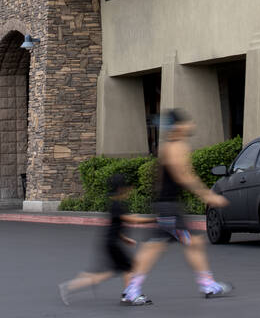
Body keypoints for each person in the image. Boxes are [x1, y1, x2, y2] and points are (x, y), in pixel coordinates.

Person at [121, 109, 233, 306]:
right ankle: (133, 289)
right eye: (187, 122)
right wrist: (207, 195)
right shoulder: (175, 146)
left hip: (167, 207)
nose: (191, 125)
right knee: (160, 247)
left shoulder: (171, 146)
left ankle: (206, 283)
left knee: (179, 245)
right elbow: (182, 175)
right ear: (178, 126)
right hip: (168, 209)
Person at [57, 173, 152, 305]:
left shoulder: (115, 203)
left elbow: (115, 225)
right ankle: (69, 287)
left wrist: (124, 239)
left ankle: (127, 295)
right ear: (120, 188)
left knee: (123, 269)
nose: (128, 191)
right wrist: (153, 219)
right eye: (126, 188)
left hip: (112, 242)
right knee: (123, 269)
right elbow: (131, 219)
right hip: (112, 244)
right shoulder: (117, 204)